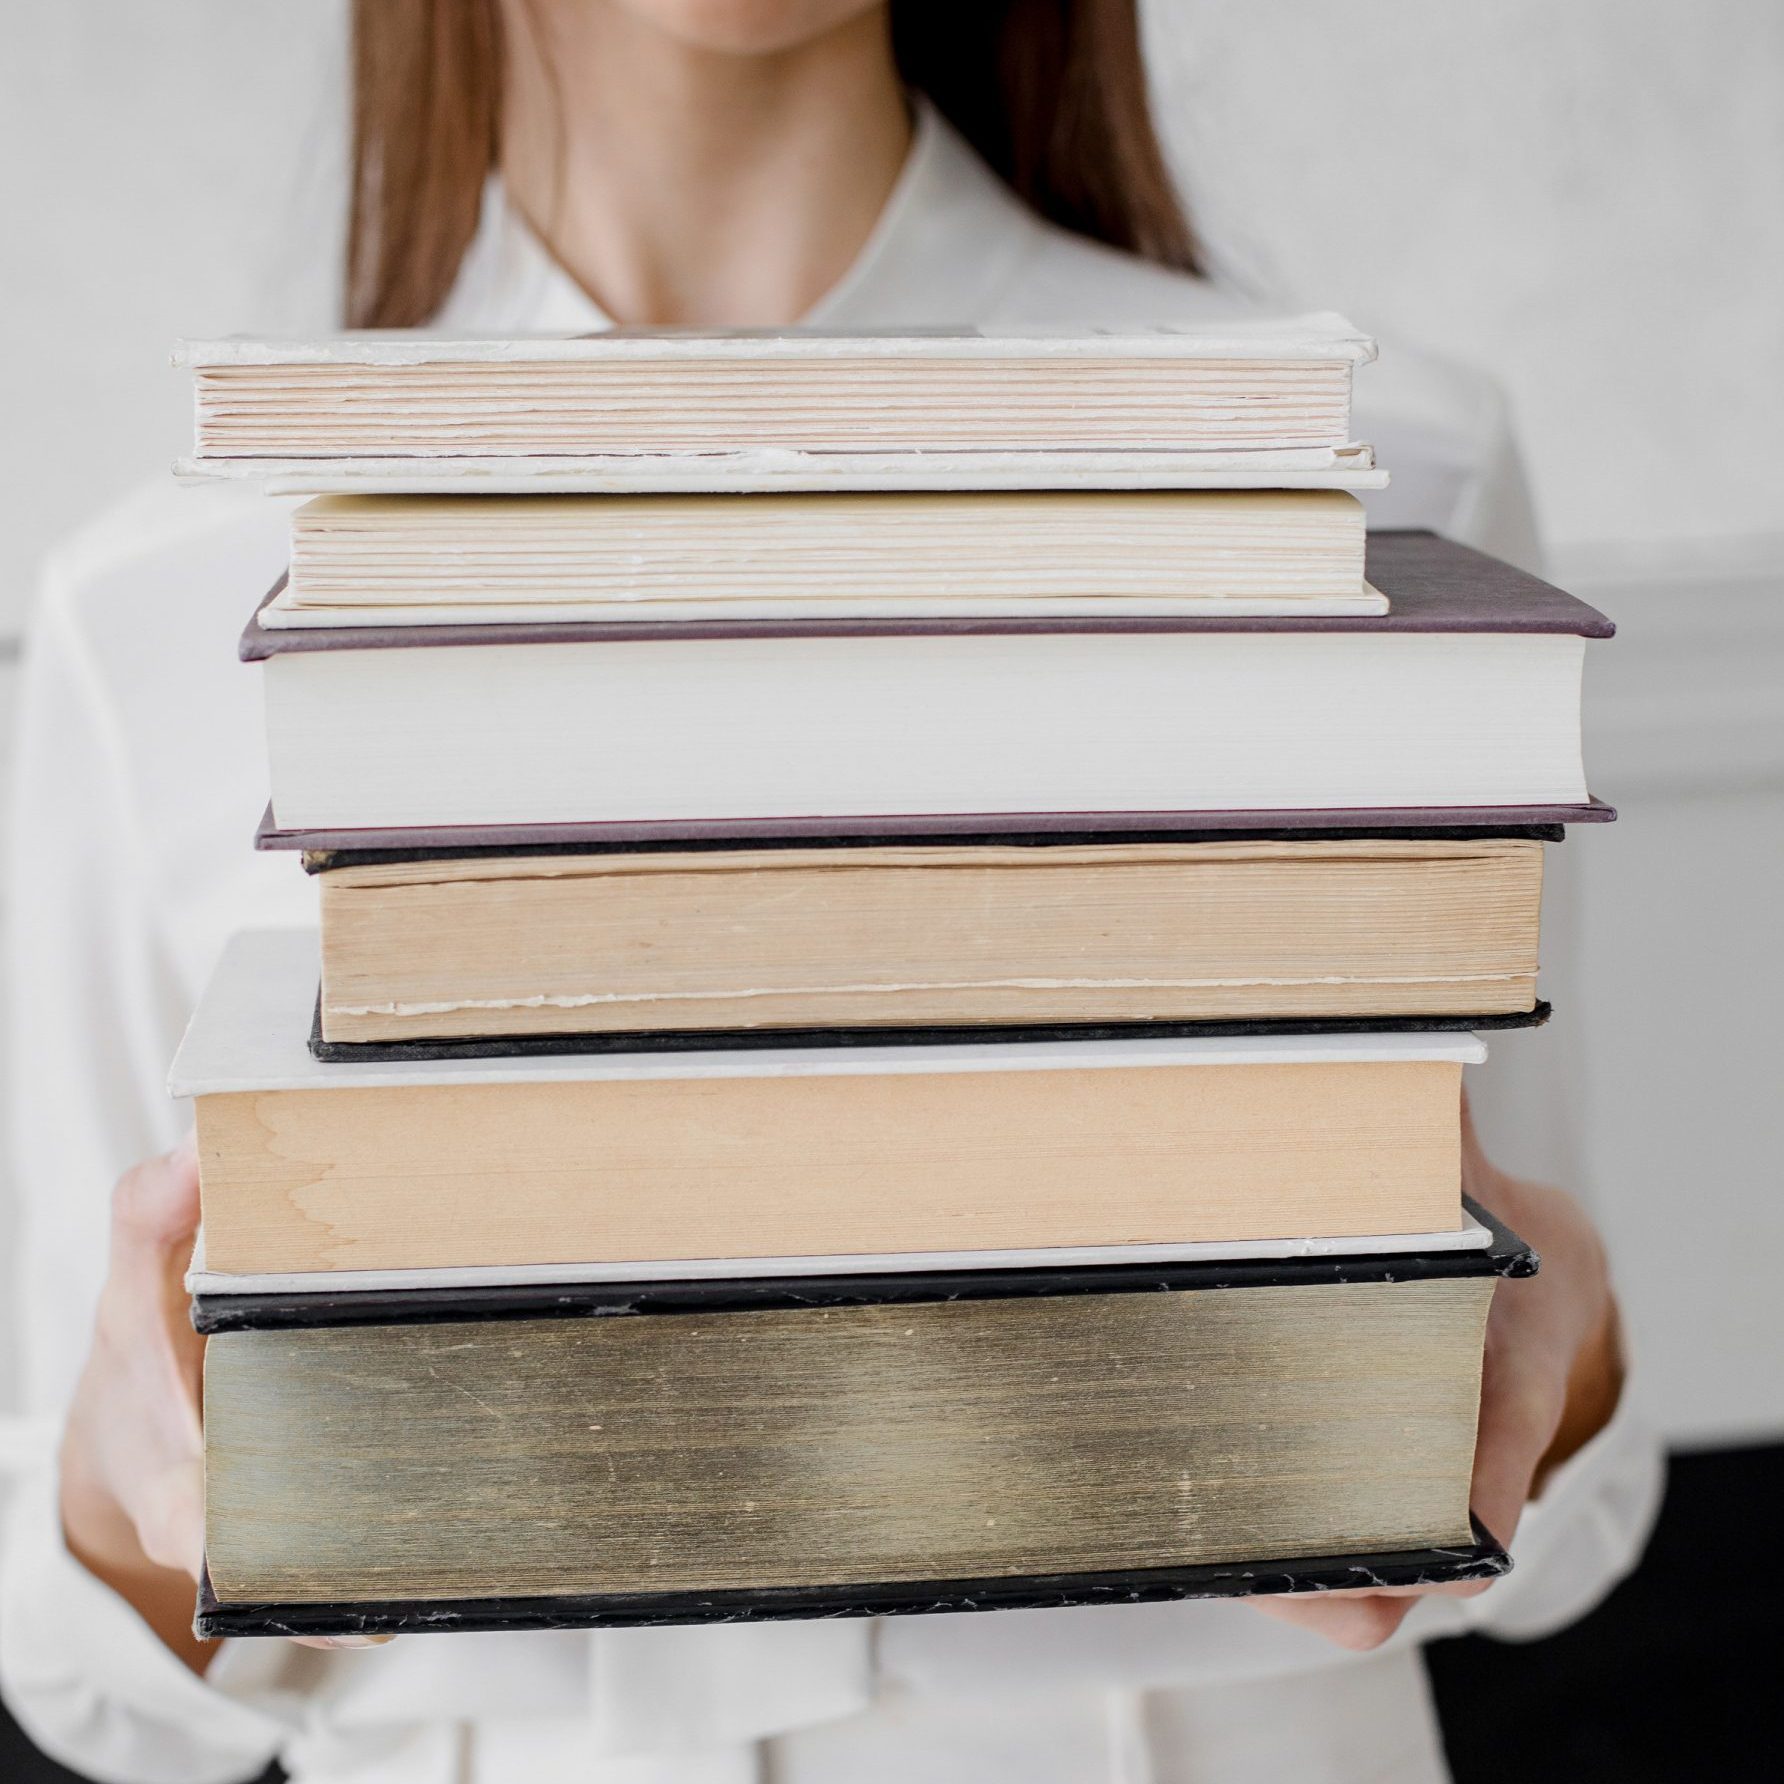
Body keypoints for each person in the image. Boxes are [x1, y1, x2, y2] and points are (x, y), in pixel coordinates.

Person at [0, 3, 1660, 1780]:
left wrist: (1533, 1372)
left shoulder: (1385, 494)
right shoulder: (160, 606)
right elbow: (92, 1680)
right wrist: (143, 1473)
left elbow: (1575, 1465)